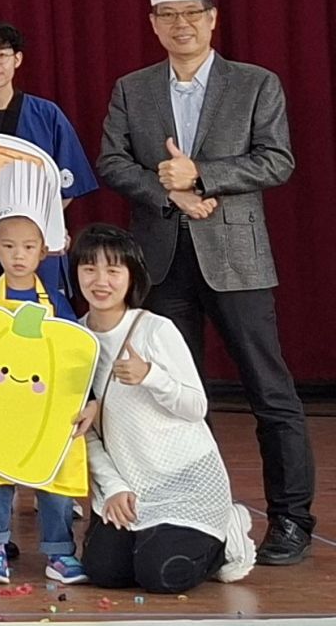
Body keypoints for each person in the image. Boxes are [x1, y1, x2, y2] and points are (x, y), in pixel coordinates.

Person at [96, 0, 313, 566]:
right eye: (168, 14)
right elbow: (111, 161)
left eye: (193, 13)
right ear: (154, 23)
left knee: (270, 393)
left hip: (238, 259)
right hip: (161, 264)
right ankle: (194, 515)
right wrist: (172, 195)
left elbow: (277, 160)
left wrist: (201, 176)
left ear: (213, 19)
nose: (181, 24)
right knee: (171, 398)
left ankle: (291, 519)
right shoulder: (133, 88)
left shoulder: (255, 83)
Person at [73, 223, 258, 591]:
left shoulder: (156, 330)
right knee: (105, 572)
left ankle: (227, 537)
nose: (100, 281)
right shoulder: (72, 340)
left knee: (162, 575)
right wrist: (113, 487)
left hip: (185, 480)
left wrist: (150, 376)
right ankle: (149, 537)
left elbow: (195, 406)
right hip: (128, 482)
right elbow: (82, 432)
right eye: (89, 268)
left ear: (131, 275)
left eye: (113, 270)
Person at [0, 165, 95, 587]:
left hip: (45, 408)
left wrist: (87, 400)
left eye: (28, 247)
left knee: (54, 475)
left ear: (44, 251)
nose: (19, 255)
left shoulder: (56, 301)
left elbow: (74, 354)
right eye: (9, 246)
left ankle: (60, 553)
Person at [0, 20, 99, 200]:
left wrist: (40, 216)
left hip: (38, 216)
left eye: (2, 55)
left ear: (17, 59)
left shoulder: (47, 114)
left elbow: (67, 184)